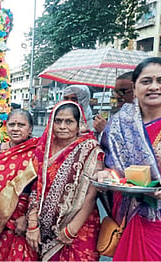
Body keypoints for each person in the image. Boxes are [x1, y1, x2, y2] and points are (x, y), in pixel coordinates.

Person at [99, 57, 161, 260]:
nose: (154, 87)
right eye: (146, 81)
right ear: (135, 89)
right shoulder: (119, 125)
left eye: (160, 81)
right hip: (130, 216)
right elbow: (112, 167)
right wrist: (105, 174)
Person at [26, 101, 104, 261]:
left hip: (79, 225)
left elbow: (91, 194)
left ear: (78, 124)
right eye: (58, 121)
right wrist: (32, 223)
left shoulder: (90, 149)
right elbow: (35, 187)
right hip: (44, 228)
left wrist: (72, 229)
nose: (62, 126)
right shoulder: (43, 148)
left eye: (69, 121)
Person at [0, 109, 39, 261]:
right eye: (12, 124)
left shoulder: (36, 151)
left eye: (21, 125)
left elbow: (41, 189)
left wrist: (27, 217)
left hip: (22, 218)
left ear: (30, 129)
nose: (15, 128)